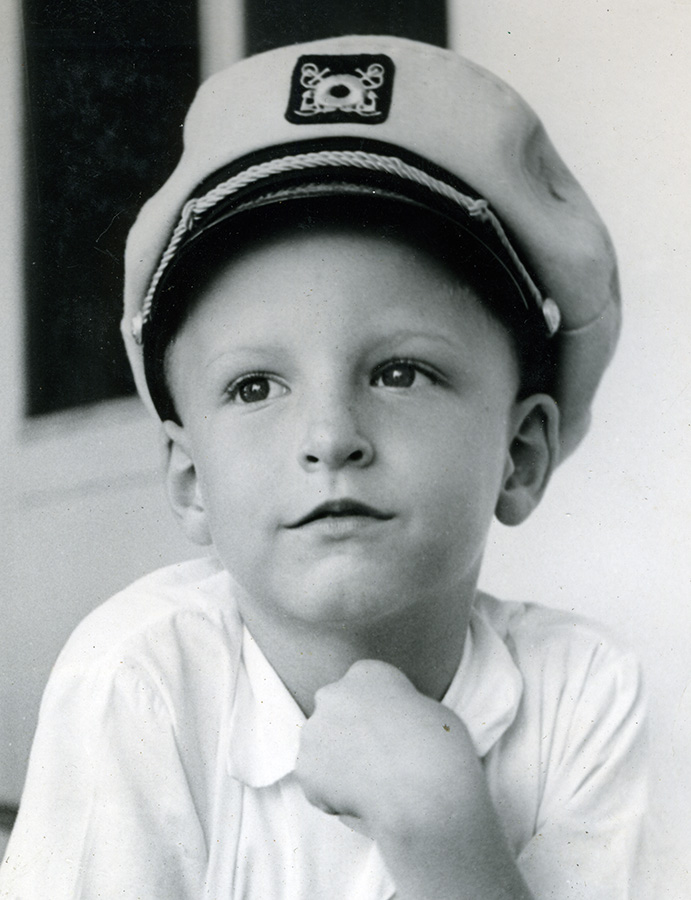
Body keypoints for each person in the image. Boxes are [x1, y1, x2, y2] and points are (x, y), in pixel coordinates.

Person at [0, 35, 646, 899]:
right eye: (255, 386)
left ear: (519, 454)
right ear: (190, 482)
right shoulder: (142, 680)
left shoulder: (585, 695)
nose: (330, 435)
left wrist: (443, 833)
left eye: (398, 372)